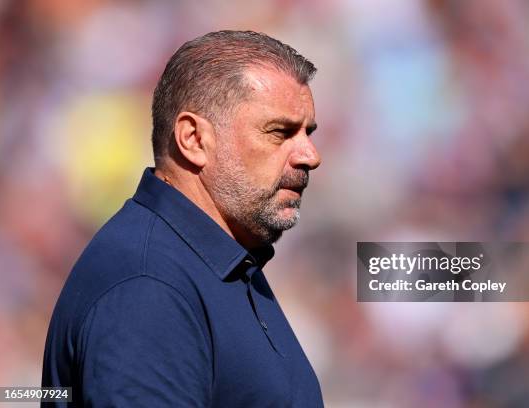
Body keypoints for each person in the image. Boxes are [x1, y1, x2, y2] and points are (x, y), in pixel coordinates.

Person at [42, 30, 323, 407]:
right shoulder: (148, 286)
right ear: (193, 138)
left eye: (307, 132)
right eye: (280, 132)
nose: (309, 154)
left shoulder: (220, 262)